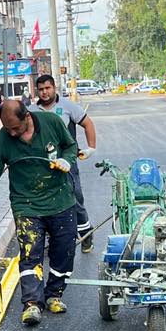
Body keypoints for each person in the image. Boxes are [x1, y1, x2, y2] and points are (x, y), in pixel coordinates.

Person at [0, 98, 79, 326]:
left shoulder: (51, 122)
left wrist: (67, 160)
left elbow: (71, 146)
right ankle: (32, 303)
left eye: (16, 128)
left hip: (60, 200)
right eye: (7, 128)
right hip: (26, 205)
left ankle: (54, 294)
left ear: (27, 117)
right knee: (31, 253)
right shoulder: (1, 142)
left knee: (64, 252)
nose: (12, 133)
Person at [32, 73, 98, 251]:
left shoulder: (68, 107)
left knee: (75, 198)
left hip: (67, 162)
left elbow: (88, 124)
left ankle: (86, 236)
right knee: (47, 202)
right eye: (41, 89)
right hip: (43, 165)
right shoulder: (31, 111)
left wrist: (90, 147)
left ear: (54, 88)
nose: (45, 92)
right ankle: (52, 240)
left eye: (48, 88)